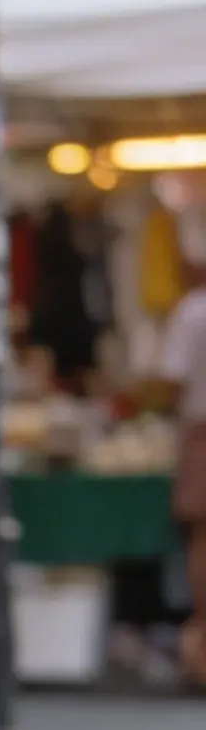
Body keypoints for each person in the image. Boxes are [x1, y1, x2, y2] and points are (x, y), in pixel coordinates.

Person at [160, 246, 206, 688]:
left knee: (202, 539)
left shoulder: (193, 312)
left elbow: (172, 379)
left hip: (202, 433)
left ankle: (202, 640)